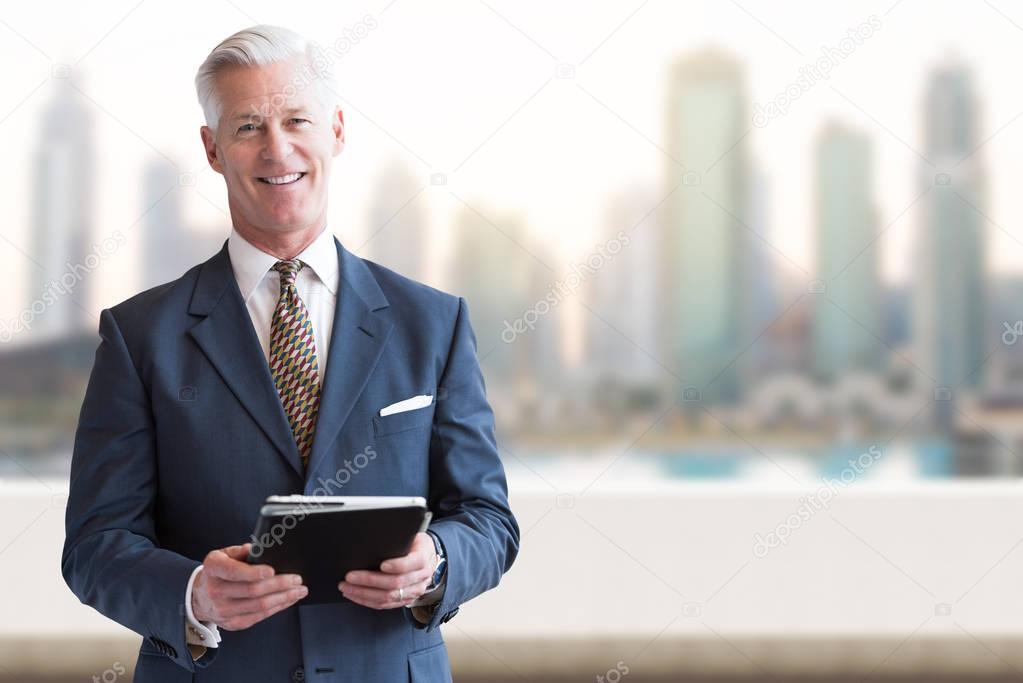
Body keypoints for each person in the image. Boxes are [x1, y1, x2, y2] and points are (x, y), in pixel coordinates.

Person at [61, 24, 519, 683]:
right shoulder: (139, 335)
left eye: (296, 119)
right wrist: (192, 593)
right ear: (213, 148)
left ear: (335, 128)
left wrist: (437, 562)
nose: (277, 149)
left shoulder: (432, 322)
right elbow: (94, 547)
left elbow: (488, 520)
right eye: (248, 126)